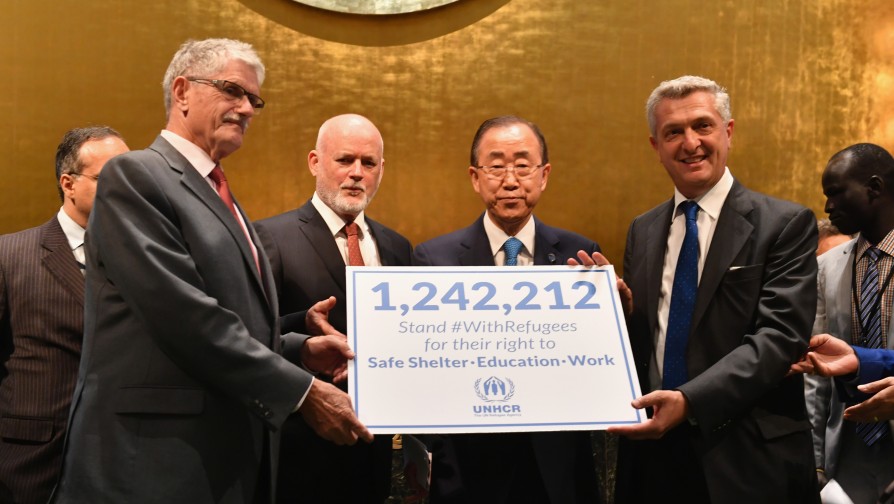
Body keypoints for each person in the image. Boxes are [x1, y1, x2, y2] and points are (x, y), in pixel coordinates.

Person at [52, 38, 371, 504]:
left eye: (254, 100)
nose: (246, 108)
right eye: (232, 91)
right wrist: (304, 393)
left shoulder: (220, 194)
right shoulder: (136, 177)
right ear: (181, 91)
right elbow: (185, 318)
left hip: (218, 463)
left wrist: (300, 350)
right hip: (154, 467)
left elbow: (231, 319)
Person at [609, 75, 819, 503]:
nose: (690, 143)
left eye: (702, 126)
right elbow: (653, 339)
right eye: (673, 132)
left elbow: (780, 338)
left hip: (748, 458)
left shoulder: (785, 223)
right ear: (656, 147)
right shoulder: (642, 230)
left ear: (728, 131)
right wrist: (616, 313)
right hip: (653, 458)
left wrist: (689, 401)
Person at [413, 115, 603, 504]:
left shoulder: (579, 256)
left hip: (559, 467)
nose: (510, 179)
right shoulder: (434, 260)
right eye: (496, 166)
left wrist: (617, 314)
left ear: (544, 174)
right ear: (475, 177)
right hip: (468, 469)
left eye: (522, 165)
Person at [254, 113, 413, 503]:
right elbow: (245, 336)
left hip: (378, 454)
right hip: (300, 450)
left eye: (368, 163)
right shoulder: (269, 238)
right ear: (315, 162)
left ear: (381, 170)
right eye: (345, 160)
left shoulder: (399, 247)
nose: (357, 173)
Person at [0, 127, 128, 504]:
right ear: (68, 183)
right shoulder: (10, 257)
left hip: (123, 459)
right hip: (32, 463)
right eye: (110, 177)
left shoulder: (146, 262)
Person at [798, 143, 894, 503]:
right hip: (849, 444)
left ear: (874, 187)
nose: (827, 207)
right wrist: (817, 460)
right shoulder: (827, 266)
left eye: (836, 192)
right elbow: (816, 374)